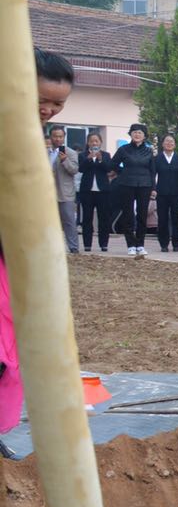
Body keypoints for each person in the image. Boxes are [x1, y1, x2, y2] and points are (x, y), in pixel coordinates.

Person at [4, 50, 79, 458]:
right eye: (42, 100)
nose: (48, 110)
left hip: (14, 256)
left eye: (58, 104)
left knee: (10, 351)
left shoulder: (37, 138)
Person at [111, 123, 155, 256]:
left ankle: (140, 244)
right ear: (130, 134)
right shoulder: (123, 149)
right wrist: (123, 172)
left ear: (144, 136)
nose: (137, 134)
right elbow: (113, 164)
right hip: (127, 185)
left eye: (140, 133)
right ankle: (130, 244)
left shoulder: (149, 151)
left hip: (144, 185)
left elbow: (152, 171)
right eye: (134, 132)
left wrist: (153, 188)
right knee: (128, 214)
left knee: (142, 215)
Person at [78, 131, 114, 252]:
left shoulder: (106, 155)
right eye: (91, 141)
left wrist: (100, 159)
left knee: (103, 218)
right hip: (87, 191)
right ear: (88, 143)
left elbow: (109, 168)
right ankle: (87, 244)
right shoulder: (83, 155)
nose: (94, 143)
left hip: (103, 191)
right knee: (87, 218)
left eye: (96, 141)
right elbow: (81, 169)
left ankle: (104, 244)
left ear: (100, 143)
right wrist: (89, 159)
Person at [47, 124, 80, 255]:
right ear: (51, 137)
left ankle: (73, 247)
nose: (58, 139)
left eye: (60, 136)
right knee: (49, 221)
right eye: (55, 136)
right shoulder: (45, 152)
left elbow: (74, 170)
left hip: (65, 193)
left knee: (69, 221)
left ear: (64, 137)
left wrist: (65, 160)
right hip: (48, 193)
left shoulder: (70, 153)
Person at [152, 132, 178, 253]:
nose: (169, 143)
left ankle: (176, 244)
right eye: (167, 141)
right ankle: (164, 244)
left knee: (176, 219)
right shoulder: (157, 159)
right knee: (162, 220)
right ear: (162, 144)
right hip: (162, 194)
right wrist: (153, 189)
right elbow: (152, 175)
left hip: (177, 194)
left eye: (171, 141)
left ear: (175, 144)